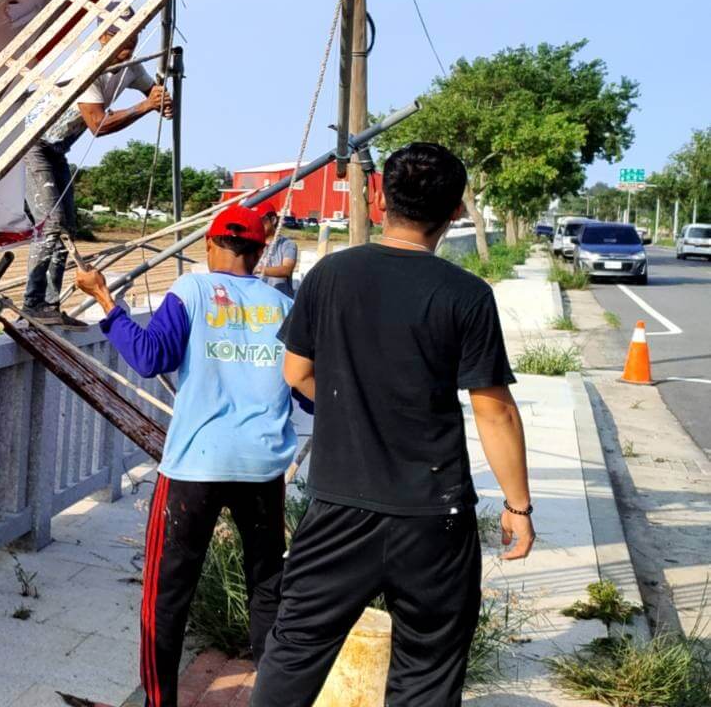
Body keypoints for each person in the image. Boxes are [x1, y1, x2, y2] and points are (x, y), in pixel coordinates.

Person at [250, 143, 534, 707]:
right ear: (456, 211)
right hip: (434, 516)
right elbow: (493, 408)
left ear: (378, 198)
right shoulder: (467, 295)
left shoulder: (331, 274)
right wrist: (518, 507)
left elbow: (297, 371)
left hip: (338, 507)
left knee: (294, 652)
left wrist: (353, 411)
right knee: (427, 671)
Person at [74, 205, 297, 707]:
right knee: (268, 584)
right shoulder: (283, 306)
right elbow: (305, 391)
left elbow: (152, 357)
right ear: (260, 252)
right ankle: (274, 696)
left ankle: (161, 703)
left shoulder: (194, 290)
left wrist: (106, 301)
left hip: (196, 465)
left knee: (167, 592)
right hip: (262, 467)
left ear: (213, 246)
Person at [23, 12, 172, 325]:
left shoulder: (130, 66)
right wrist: (145, 107)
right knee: (52, 227)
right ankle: (34, 304)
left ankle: (49, 307)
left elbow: (150, 91)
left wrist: (161, 100)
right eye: (121, 41)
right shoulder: (87, 68)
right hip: (36, 145)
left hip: (58, 150)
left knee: (67, 228)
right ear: (103, 36)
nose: (127, 48)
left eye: (132, 40)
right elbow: (98, 125)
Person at [256, 207, 299, 297]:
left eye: (261, 220)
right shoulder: (252, 245)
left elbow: (286, 269)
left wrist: (258, 270)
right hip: (257, 299)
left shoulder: (288, 244)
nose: (258, 224)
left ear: (273, 220)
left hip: (280, 300)